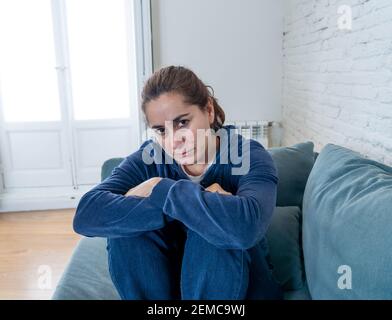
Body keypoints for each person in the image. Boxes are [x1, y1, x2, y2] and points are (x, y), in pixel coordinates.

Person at [73, 65, 283, 300]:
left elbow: (247, 227)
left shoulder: (247, 156)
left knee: (214, 229)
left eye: (182, 122)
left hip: (237, 292)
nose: (174, 141)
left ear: (209, 110)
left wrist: (159, 188)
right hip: (169, 293)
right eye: (162, 131)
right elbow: (86, 214)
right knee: (127, 232)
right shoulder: (150, 158)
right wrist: (201, 200)